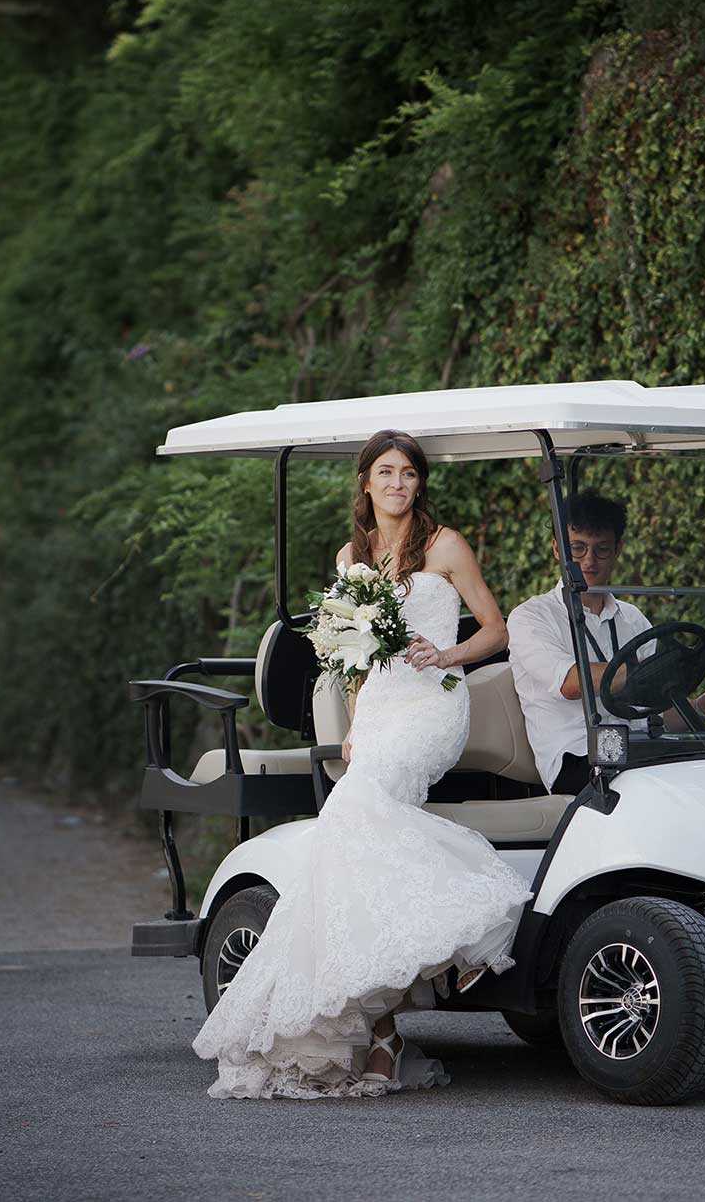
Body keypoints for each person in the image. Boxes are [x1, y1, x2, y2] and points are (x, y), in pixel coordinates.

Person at [191, 429, 531, 1098]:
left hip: (432, 704)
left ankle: (476, 917)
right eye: (386, 472)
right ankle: (383, 1033)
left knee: (351, 811)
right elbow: (350, 656)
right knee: (352, 838)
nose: (398, 483)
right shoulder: (353, 557)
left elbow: (497, 628)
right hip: (378, 712)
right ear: (367, 483)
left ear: (418, 484)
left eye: (408, 472)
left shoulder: (445, 546)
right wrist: (351, 721)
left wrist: (451, 655)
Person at [506, 492, 705, 795]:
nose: (588, 561)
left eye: (601, 549)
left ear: (617, 549)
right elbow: (569, 682)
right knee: (670, 785)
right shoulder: (530, 617)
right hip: (578, 760)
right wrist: (654, 668)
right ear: (557, 550)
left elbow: (651, 707)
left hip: (636, 750)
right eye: (577, 548)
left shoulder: (631, 618)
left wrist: (697, 708)